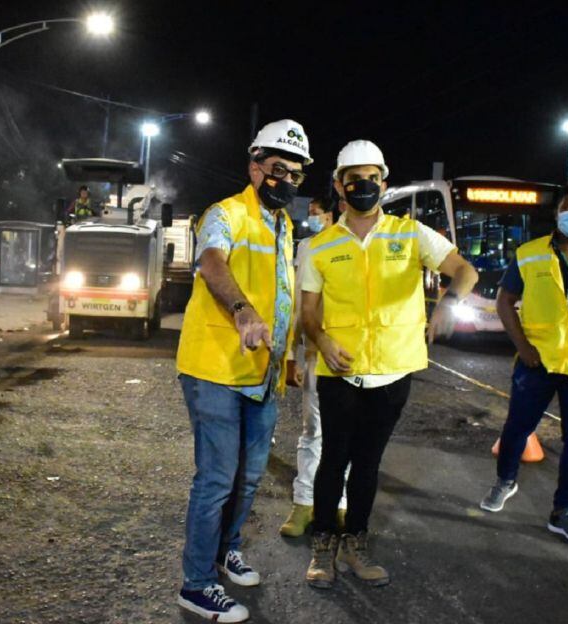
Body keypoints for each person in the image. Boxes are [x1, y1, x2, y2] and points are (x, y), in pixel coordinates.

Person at [301, 140, 478, 589]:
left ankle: (355, 543)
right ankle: (323, 547)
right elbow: (308, 313)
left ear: (384, 179)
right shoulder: (319, 246)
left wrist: (447, 305)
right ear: (340, 186)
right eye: (354, 179)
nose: (364, 186)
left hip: (394, 374)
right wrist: (321, 340)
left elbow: (465, 271)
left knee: (367, 464)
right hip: (339, 375)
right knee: (332, 461)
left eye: (372, 178)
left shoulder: (411, 233)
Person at [175, 119, 310, 622]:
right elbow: (213, 264)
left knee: (248, 477)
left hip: (263, 375)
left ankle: (225, 549)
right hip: (215, 369)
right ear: (255, 167)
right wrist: (242, 311)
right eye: (279, 170)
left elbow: (283, 295)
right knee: (215, 479)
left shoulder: (284, 225)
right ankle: (197, 582)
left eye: (296, 173)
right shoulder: (224, 215)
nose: (288, 181)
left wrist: (289, 357)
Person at [478, 181, 568, 545]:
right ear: (557, 213)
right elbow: (504, 301)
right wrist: (523, 346)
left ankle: (564, 512)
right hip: (536, 362)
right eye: (567, 207)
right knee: (516, 429)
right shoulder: (529, 254)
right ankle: (505, 481)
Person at [280, 196, 350, 538]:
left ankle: (340, 505)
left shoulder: (363, 247)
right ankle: (304, 502)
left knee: (348, 435)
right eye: (311, 215)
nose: (314, 220)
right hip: (313, 354)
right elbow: (297, 303)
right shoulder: (307, 248)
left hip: (352, 357)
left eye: (317, 214)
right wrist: (292, 352)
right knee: (312, 432)